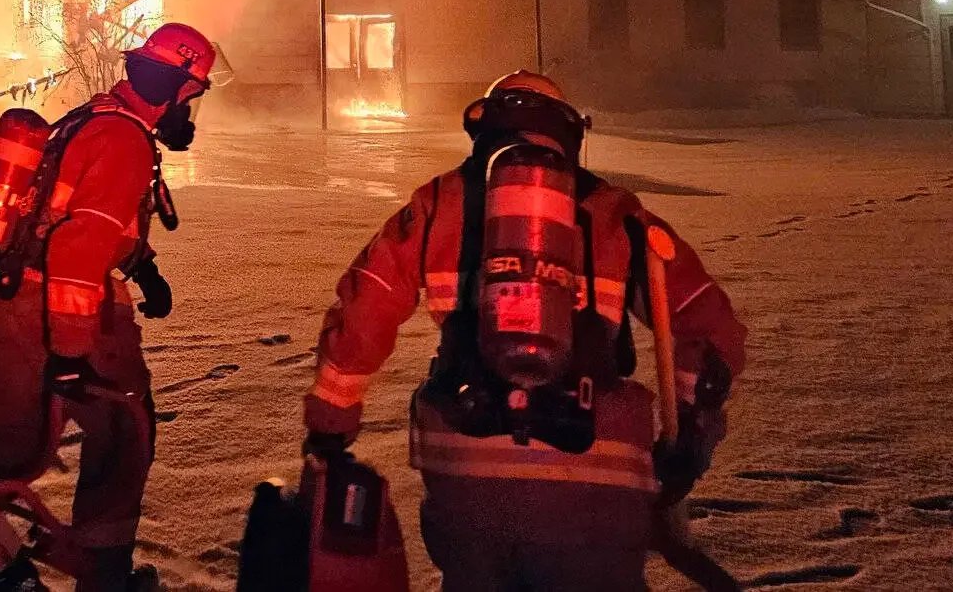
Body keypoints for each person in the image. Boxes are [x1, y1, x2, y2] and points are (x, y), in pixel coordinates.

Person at [302, 71, 746, 592]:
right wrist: (689, 439)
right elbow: (712, 331)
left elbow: (364, 308)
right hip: (599, 480)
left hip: (466, 472)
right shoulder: (618, 214)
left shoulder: (438, 203)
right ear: (569, 133)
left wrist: (331, 423)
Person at [0, 22, 220, 592]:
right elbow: (77, 248)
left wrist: (142, 265)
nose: (189, 112)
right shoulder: (124, 141)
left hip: (19, 298)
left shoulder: (91, 118)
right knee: (125, 431)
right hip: (79, 310)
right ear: (170, 85)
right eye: (191, 96)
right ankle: (104, 574)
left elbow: (72, 215)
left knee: (16, 446)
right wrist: (71, 354)